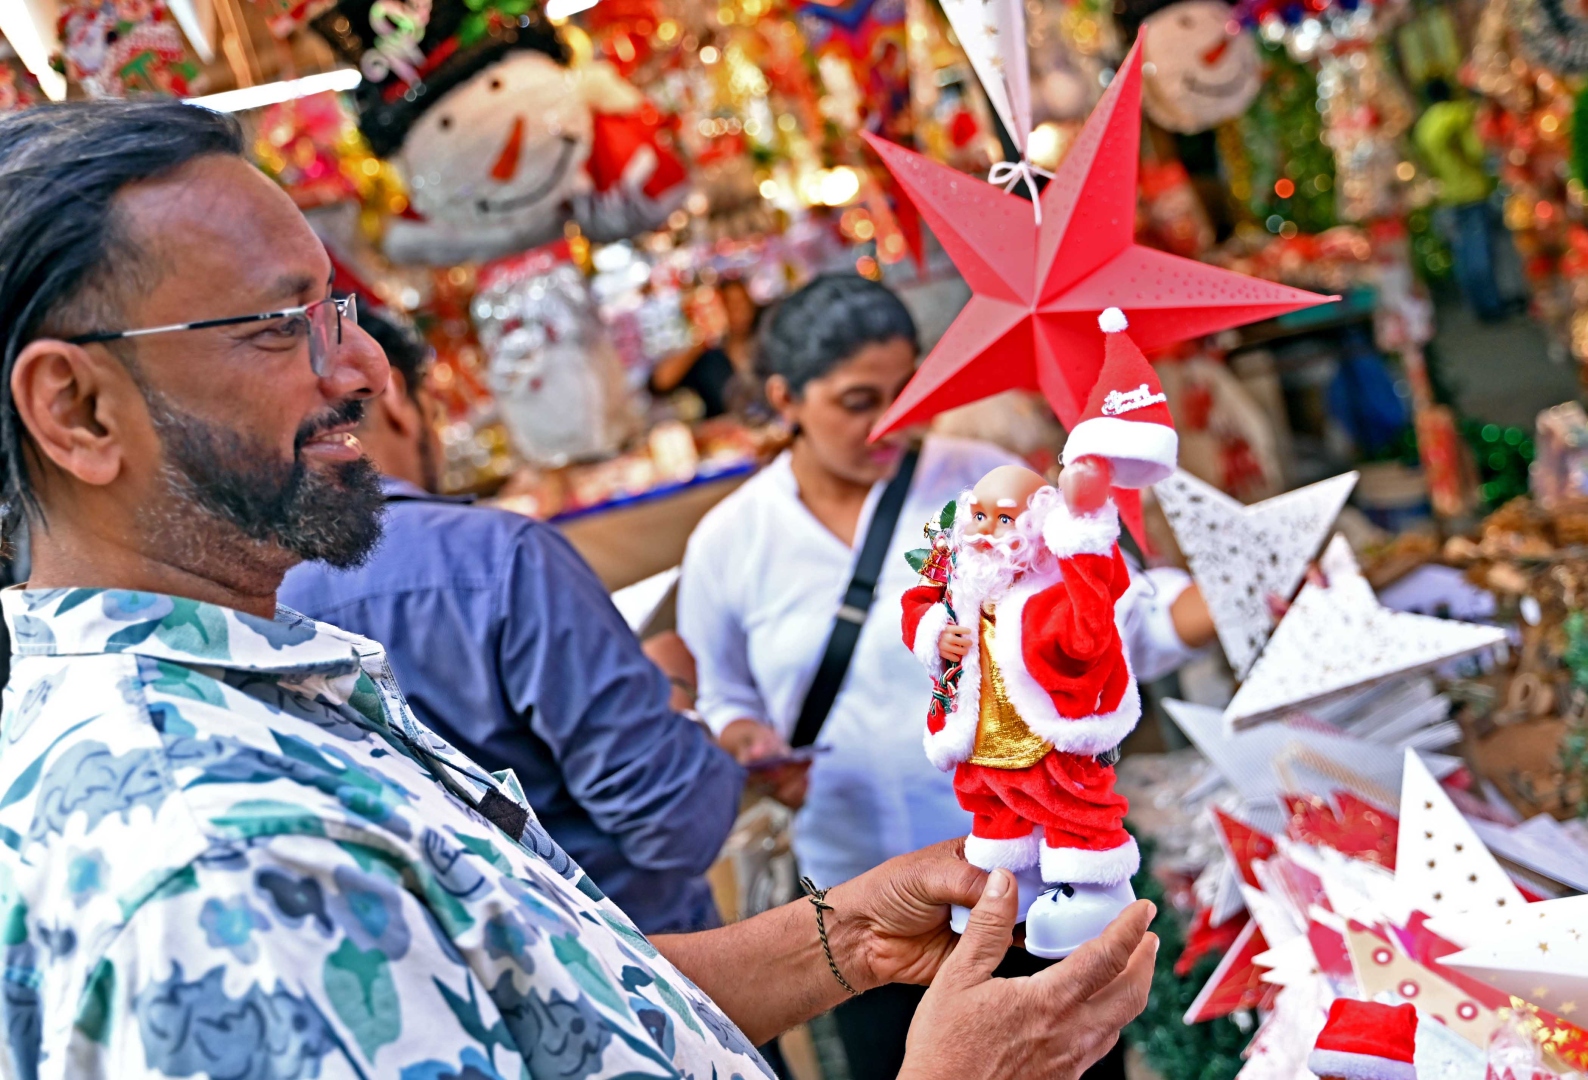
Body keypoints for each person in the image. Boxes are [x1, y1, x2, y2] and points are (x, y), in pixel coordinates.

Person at [0, 100, 1158, 1079]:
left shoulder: (257, 684)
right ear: (77, 411)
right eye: (276, 325)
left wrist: (842, 937)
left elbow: (529, 994)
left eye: (335, 310)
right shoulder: (217, 864)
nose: (357, 368)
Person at [677, 273, 1215, 1078]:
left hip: (1027, 870)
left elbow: (1095, 621)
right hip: (863, 893)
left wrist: (1214, 600)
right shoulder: (731, 540)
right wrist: (744, 737)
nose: (890, 422)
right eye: (860, 401)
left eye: (908, 393)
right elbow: (724, 690)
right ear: (786, 396)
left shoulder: (980, 480)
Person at [280, 308, 744, 935]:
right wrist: (676, 692)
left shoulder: (236, 606)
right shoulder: (501, 561)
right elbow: (679, 822)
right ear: (396, 405)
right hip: (631, 969)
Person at [649, 278, 760, 417]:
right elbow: (660, 383)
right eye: (729, 304)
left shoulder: (766, 339)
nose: (739, 310)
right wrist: (701, 338)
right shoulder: (709, 358)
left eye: (742, 302)